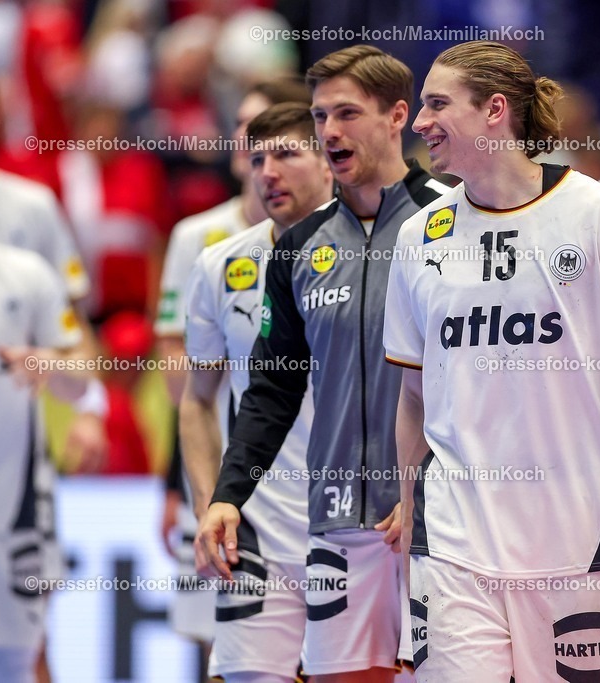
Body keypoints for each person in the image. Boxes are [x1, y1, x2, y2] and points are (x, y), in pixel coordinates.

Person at [386, 40, 600, 682]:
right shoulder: (418, 237)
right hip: (455, 543)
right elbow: (413, 392)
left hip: (585, 540)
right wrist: (404, 497)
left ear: (495, 110)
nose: (418, 122)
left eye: (437, 104)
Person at [197, 45, 449, 682]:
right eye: (319, 117)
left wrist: (426, 485)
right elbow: (271, 391)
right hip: (338, 523)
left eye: (347, 113)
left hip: (440, 524)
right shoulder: (302, 247)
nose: (330, 131)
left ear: (398, 116)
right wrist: (228, 496)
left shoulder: (453, 219)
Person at [154, 77, 312, 657]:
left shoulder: (375, 249)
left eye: (280, 141)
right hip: (243, 502)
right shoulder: (207, 248)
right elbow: (192, 384)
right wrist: (195, 491)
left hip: (345, 514)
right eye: (251, 137)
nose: (262, 155)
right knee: (222, 654)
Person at [182, 102, 330, 683]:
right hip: (256, 522)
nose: (266, 171)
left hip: (354, 521)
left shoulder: (382, 252)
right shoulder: (220, 264)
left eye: (287, 154)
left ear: (329, 162)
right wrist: (207, 502)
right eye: (256, 157)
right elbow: (196, 399)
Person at [0, 244, 93, 683]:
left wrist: (47, 362)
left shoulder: (25, 271)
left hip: (13, 506)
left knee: (17, 661)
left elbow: (79, 379)